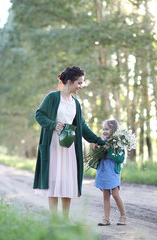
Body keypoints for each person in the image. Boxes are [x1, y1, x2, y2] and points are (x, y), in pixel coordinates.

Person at [33, 66, 106, 222]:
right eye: (79, 83)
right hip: (53, 145)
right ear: (69, 81)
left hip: (69, 147)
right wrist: (53, 124)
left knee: (68, 181)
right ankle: (54, 219)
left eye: (81, 83)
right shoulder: (52, 97)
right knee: (53, 180)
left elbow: (82, 127)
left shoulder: (76, 103)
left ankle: (65, 219)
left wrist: (98, 140)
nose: (80, 86)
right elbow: (39, 115)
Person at [94, 119, 127, 226]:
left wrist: (110, 150)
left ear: (113, 130)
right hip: (103, 171)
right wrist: (96, 149)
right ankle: (106, 218)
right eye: (103, 129)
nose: (104, 131)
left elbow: (120, 159)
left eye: (107, 129)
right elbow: (97, 157)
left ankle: (123, 216)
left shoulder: (118, 144)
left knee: (116, 195)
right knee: (105, 196)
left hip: (112, 171)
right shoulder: (102, 142)